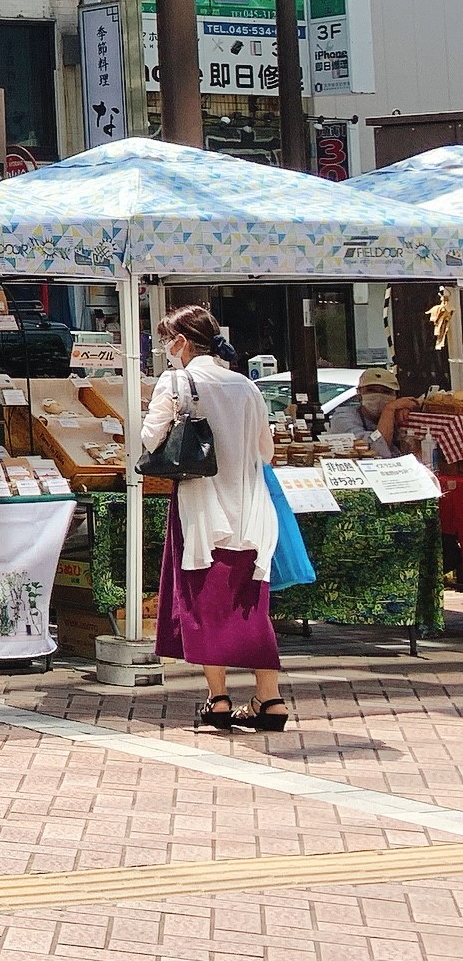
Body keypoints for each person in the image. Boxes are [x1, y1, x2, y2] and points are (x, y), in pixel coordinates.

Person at [142, 304, 286, 731]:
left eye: (168, 340)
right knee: (251, 605)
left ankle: (218, 698)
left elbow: (151, 438)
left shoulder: (175, 381)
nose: (166, 348)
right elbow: (267, 451)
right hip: (251, 510)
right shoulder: (246, 386)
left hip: (201, 507)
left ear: (181, 342)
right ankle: (270, 698)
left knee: (203, 602)